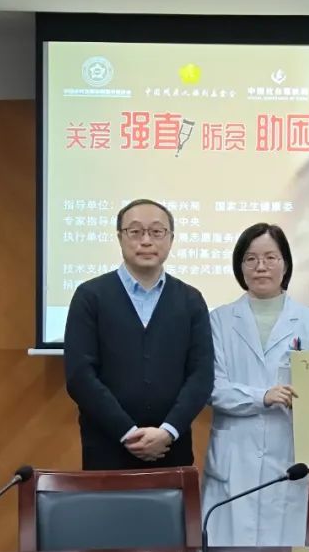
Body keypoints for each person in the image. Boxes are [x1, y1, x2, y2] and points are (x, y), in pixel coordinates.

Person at [202, 223, 309, 546]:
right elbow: (211, 388)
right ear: (240, 267)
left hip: (288, 453)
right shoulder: (218, 320)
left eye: (270, 258)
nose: (261, 266)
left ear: (285, 264)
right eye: (251, 259)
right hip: (234, 456)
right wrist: (263, 396)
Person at [64, 199, 213, 470]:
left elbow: (201, 375)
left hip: (172, 450)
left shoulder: (191, 300)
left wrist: (168, 430)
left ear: (171, 239)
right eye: (135, 232)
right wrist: (127, 433)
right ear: (120, 237)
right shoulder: (90, 296)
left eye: (156, 232)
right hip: (107, 449)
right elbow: (80, 376)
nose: (146, 241)